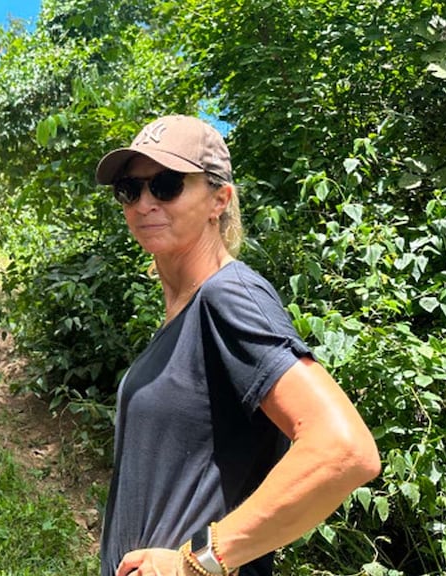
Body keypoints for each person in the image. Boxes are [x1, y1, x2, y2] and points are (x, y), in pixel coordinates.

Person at [93, 115, 381, 576]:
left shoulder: (227, 296)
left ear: (219, 199)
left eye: (166, 185)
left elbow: (343, 450)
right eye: (130, 189)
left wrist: (196, 562)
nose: (145, 202)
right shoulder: (188, 312)